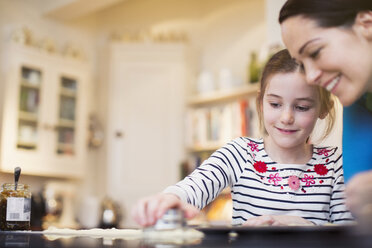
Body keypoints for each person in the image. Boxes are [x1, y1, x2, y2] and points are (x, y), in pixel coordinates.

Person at [132, 49, 354, 227]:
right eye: (275, 104)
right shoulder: (240, 153)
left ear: (323, 108)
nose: (286, 117)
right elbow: (191, 189)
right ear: (260, 103)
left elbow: (350, 235)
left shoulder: (335, 163)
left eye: (302, 107)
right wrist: (169, 199)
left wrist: (304, 227)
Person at [278, 0, 372, 220]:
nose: (310, 77)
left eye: (315, 52)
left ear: (366, 25)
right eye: (301, 63)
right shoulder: (359, 99)